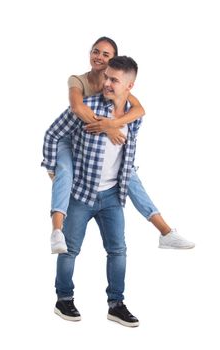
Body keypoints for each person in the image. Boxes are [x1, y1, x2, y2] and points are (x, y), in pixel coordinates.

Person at [48, 36, 195, 253]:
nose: (99, 57)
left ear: (113, 60)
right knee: (64, 174)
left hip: (96, 142)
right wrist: (108, 127)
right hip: (70, 140)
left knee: (131, 179)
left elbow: (139, 110)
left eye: (105, 54)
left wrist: (112, 124)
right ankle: (56, 232)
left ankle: (165, 233)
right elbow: (77, 107)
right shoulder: (79, 80)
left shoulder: (115, 81)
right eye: (95, 51)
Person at [42, 56, 142, 327]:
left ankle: (116, 304)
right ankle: (63, 299)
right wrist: (55, 172)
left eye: (114, 80)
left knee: (118, 250)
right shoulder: (85, 106)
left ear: (129, 86)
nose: (106, 83)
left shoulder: (134, 117)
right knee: (69, 249)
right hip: (81, 194)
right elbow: (52, 134)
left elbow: (130, 144)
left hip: (112, 196)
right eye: (106, 77)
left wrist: (112, 124)